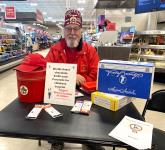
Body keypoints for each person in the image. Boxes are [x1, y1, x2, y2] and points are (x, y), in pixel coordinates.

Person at [46, 9, 103, 150]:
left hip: (85, 93)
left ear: (81, 30)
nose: (72, 32)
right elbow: (47, 72)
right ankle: (57, 139)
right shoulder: (54, 50)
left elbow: (96, 74)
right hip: (60, 93)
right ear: (64, 31)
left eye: (75, 29)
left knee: (93, 113)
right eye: (68, 29)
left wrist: (81, 82)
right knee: (55, 109)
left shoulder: (90, 51)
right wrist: (70, 78)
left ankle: (90, 139)